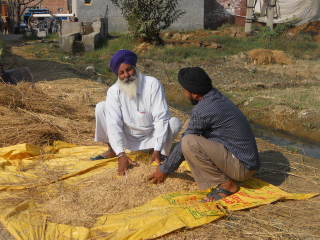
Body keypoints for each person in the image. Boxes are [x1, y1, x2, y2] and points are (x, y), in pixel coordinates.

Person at [148, 67, 260, 201]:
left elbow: (185, 143)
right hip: (244, 159)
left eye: (185, 90)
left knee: (189, 142)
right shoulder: (214, 96)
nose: (184, 93)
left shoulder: (204, 109)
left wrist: (165, 169)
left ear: (194, 94)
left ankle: (227, 185)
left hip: (242, 167)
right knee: (191, 125)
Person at [92, 49, 181, 176]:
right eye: (121, 73)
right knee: (101, 107)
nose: (126, 75)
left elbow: (161, 117)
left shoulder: (152, 84)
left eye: (128, 70)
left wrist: (157, 148)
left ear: (135, 67)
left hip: (151, 136)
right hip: (127, 137)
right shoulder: (113, 91)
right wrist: (121, 154)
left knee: (174, 122)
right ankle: (113, 150)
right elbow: (113, 124)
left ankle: (160, 155)